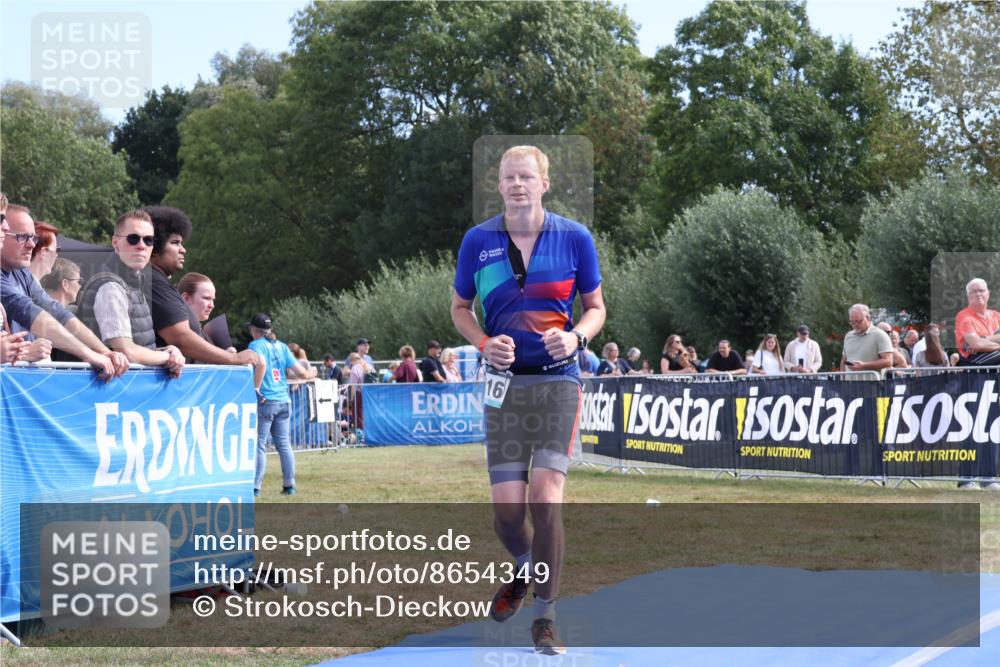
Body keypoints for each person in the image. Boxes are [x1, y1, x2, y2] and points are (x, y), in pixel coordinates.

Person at [450, 145, 605, 655]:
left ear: (544, 182)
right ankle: (524, 567)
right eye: (508, 177)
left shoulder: (575, 237)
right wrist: (481, 342)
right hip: (503, 387)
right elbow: (460, 307)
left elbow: (596, 307)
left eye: (526, 176)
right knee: (508, 514)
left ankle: (545, 617)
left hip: (559, 381)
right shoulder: (478, 241)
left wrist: (578, 337)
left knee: (545, 495)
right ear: (499, 186)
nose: (517, 184)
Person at [1, 204, 126, 377]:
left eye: (33, 238)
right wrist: (89, 354)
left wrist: (103, 351)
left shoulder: (21, 272)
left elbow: (56, 311)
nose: (31, 245)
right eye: (22, 237)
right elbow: (33, 314)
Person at [144, 206, 264, 376]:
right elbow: (181, 338)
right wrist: (233, 359)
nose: (183, 249)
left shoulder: (156, 279)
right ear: (154, 248)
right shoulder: (151, 279)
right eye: (175, 242)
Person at [75, 210, 185, 377]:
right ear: (115, 242)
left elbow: (140, 346)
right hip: (109, 394)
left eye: (148, 240)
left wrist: (170, 350)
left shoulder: (133, 284)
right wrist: (167, 356)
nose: (141, 245)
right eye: (133, 239)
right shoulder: (110, 287)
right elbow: (127, 352)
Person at [248, 313, 316, 496]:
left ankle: (255, 488)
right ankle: (289, 485)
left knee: (260, 445)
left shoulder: (255, 345)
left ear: (254, 330)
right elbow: (301, 374)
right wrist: (312, 374)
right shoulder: (282, 347)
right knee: (284, 445)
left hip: (265, 400)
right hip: (284, 400)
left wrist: (255, 388)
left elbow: (261, 365)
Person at [954, 278, 1000, 367]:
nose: (978, 294)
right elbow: (977, 345)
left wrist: (984, 338)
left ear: (988, 294)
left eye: (981, 291)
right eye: (973, 292)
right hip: (973, 360)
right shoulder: (963, 316)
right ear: (968, 296)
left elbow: (977, 343)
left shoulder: (997, 315)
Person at [840, 304, 893, 373]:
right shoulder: (848, 336)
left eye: (859, 321)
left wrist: (864, 365)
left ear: (867, 318)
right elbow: (844, 360)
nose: (855, 325)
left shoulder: (880, 335)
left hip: (872, 382)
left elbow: (888, 361)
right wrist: (842, 380)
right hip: (849, 382)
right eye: (852, 322)